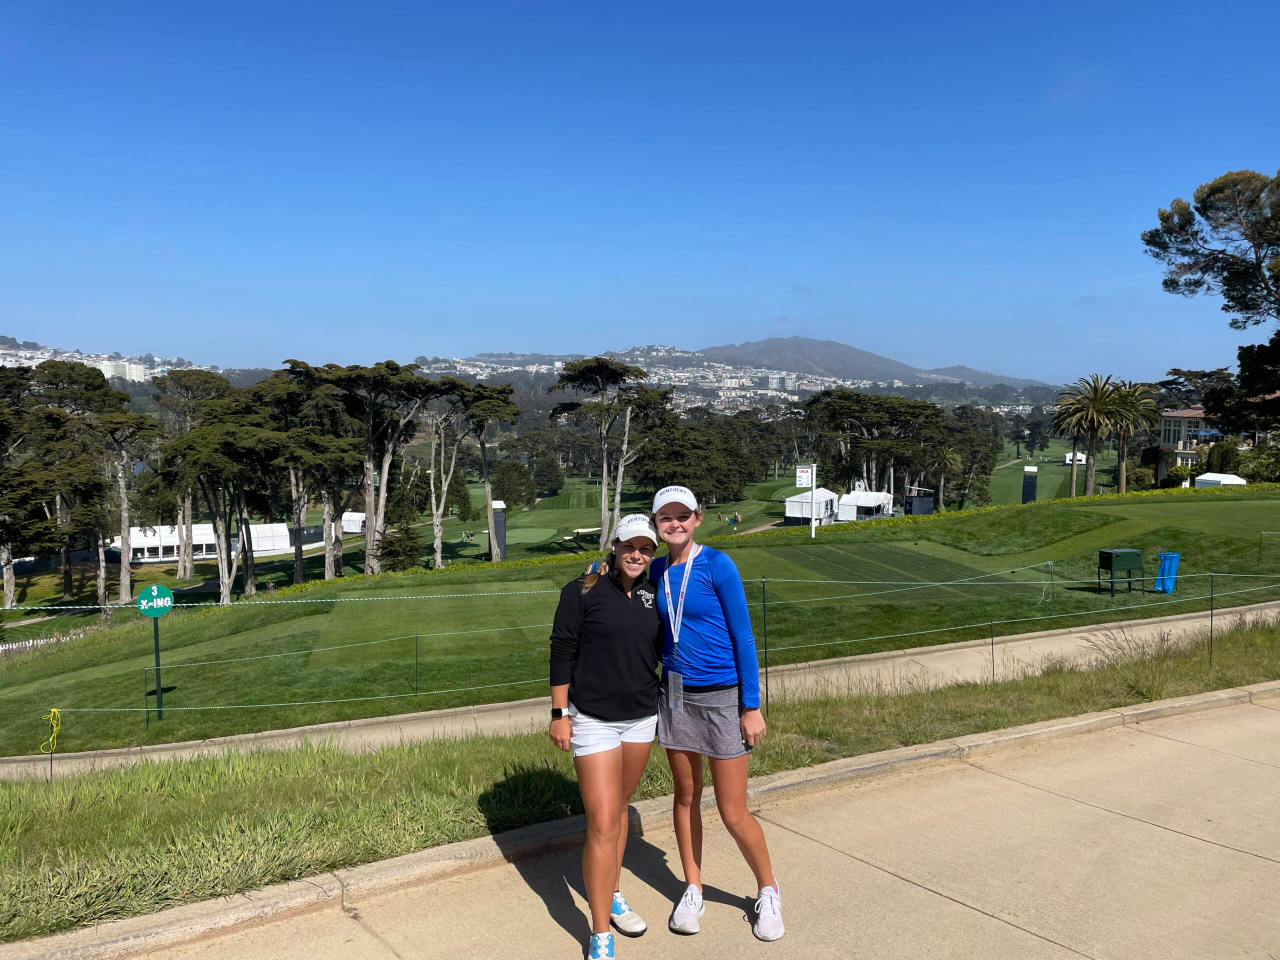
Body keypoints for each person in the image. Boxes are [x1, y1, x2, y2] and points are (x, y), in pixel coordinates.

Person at [648, 485, 784, 942]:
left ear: (697, 518)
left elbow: (744, 639)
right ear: (656, 525)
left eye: (682, 516)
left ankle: (768, 889)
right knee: (685, 796)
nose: (675, 524)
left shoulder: (718, 565)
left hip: (725, 699)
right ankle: (692, 886)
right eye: (666, 518)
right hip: (677, 697)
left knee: (732, 810)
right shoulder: (657, 570)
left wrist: (752, 706)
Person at [549, 514, 664, 960]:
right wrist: (559, 713)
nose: (637, 554)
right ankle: (600, 932)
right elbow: (562, 650)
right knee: (601, 822)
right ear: (614, 546)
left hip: (641, 717)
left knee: (617, 809)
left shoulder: (656, 594)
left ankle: (612, 890)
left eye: (646, 548)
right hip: (592, 718)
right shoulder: (582, 590)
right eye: (629, 546)